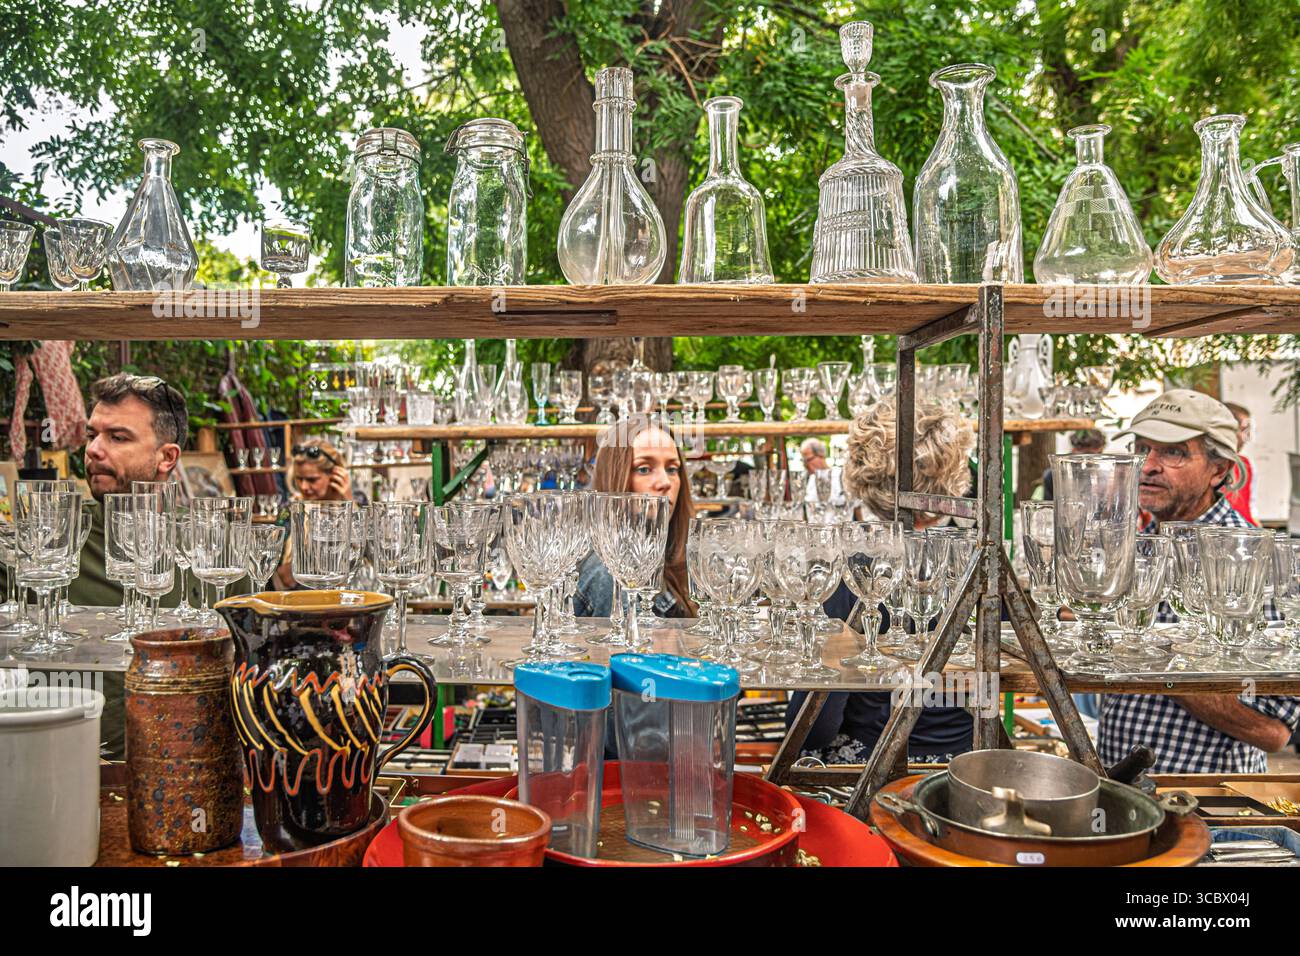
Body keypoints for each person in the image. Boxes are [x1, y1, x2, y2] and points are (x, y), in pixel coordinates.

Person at [1103, 389, 1299, 773]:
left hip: (1208, 804)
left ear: (1220, 469)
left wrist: (1153, 660)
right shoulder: (1139, 543)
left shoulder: (1251, 556)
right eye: (1142, 448)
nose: (1148, 465)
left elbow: (1274, 731)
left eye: (1173, 451)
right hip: (1122, 791)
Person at [786, 400, 977, 765]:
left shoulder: (852, 563)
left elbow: (813, 725)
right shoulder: (976, 555)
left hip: (873, 767)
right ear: (955, 468)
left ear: (864, 472)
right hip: (966, 763)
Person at [574, 418, 697, 619]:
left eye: (672, 469)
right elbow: (633, 650)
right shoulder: (611, 574)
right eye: (644, 469)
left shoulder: (661, 558)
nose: (665, 482)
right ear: (616, 479)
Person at [273, 437, 357, 590]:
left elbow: (369, 557)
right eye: (299, 478)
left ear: (336, 474)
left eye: (312, 480)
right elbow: (278, 571)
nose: (304, 486)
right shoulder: (289, 510)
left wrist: (348, 503)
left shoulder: (357, 504)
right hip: (300, 603)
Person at [1040, 428, 1105, 501]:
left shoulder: (1104, 477)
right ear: (1074, 450)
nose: (1090, 460)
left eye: (1097, 454)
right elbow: (1049, 506)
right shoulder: (1053, 475)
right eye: (1085, 454)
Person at [1223, 401, 1257, 525]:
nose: (1246, 439)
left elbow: (1252, 509)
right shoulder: (1205, 465)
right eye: (1243, 430)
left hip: (1246, 532)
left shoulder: (1247, 464)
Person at [799, 436, 844, 506]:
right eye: (803, 461)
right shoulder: (809, 479)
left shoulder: (840, 476)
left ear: (821, 455)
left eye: (808, 459)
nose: (805, 465)